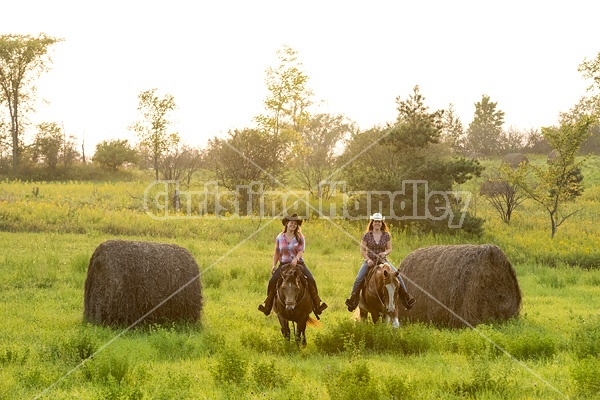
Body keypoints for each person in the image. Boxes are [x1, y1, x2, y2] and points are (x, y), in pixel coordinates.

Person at [258, 213, 328, 317]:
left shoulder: (300, 237)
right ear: (287, 224)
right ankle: (267, 305)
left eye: (295, 224)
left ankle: (317, 304)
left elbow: (301, 251)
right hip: (284, 264)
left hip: (298, 264)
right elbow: (277, 252)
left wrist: (296, 258)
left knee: (311, 279)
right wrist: (274, 265)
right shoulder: (279, 237)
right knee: (272, 281)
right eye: (291, 223)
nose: (293, 225)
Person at [345, 212, 415, 312]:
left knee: (397, 276)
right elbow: (362, 250)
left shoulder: (386, 235)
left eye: (379, 221)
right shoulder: (366, 235)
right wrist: (368, 259)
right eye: (375, 221)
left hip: (383, 261)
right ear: (372, 223)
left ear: (382, 223)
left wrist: (385, 253)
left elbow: (389, 248)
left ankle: (407, 299)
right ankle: (352, 300)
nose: (377, 223)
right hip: (370, 262)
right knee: (359, 278)